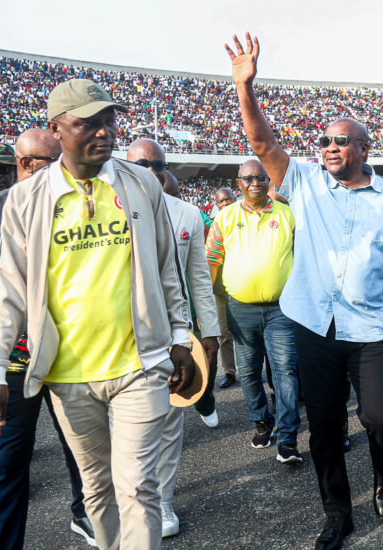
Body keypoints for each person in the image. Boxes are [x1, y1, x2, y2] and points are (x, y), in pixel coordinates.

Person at [225, 34, 383, 550]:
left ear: (364, 150)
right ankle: (336, 513)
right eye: (325, 140)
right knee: (323, 425)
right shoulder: (303, 182)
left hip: (369, 327)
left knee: (380, 416)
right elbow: (262, 145)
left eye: (341, 140)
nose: (329, 146)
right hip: (312, 325)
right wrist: (245, 89)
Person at [0, 79, 194, 550]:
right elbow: (7, 292)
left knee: (138, 486)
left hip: (140, 364)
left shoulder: (140, 184)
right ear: (56, 130)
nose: (104, 132)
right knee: (97, 492)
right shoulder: (26, 199)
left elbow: (165, 266)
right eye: (87, 124)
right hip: (67, 374)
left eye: (108, 120)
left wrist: (180, 336)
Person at [0, 128, 95, 548]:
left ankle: (86, 515)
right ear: (26, 164)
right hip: (11, 364)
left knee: (86, 454)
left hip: (73, 358)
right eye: (52, 161)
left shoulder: (80, 208)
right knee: (8, 466)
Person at [127, 138, 220, 538]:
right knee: (124, 426)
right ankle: (131, 498)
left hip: (171, 337)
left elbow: (199, 277)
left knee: (168, 422)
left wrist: (211, 330)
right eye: (141, 164)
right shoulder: (101, 210)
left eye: (158, 164)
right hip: (117, 339)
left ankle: (162, 501)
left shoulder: (187, 214)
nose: (150, 171)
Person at [206, 159, 302, 464]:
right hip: (240, 309)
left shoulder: (287, 214)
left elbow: (302, 256)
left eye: (261, 177)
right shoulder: (225, 218)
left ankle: (287, 437)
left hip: (282, 309)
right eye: (248, 178)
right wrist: (205, 306)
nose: (255, 183)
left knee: (285, 371)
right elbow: (211, 262)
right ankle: (262, 422)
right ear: (239, 184)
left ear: (268, 180)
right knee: (248, 372)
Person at [212, 187, 238, 389]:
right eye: (222, 202)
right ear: (217, 205)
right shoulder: (212, 226)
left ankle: (251, 370)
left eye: (228, 200)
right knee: (223, 333)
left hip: (242, 287)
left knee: (250, 332)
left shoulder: (243, 222)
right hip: (220, 290)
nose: (226, 204)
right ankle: (229, 371)